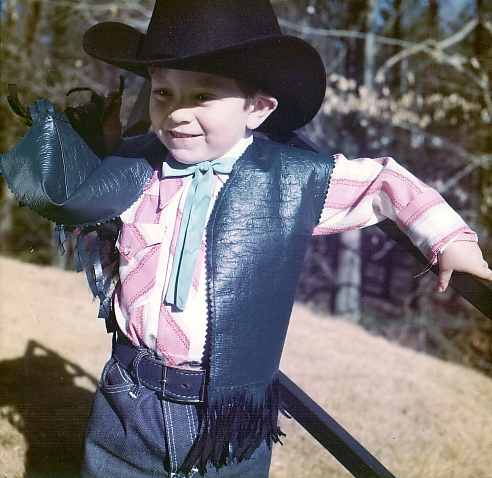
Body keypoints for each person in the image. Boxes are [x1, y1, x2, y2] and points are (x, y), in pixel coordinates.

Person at [1, 0, 491, 477]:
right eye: (163, 93)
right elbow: (73, 195)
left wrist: (450, 239)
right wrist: (97, 145)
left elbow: (382, 181)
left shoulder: (289, 181)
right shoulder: (136, 168)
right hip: (128, 400)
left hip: (225, 412)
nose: (177, 114)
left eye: (203, 96)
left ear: (257, 107)